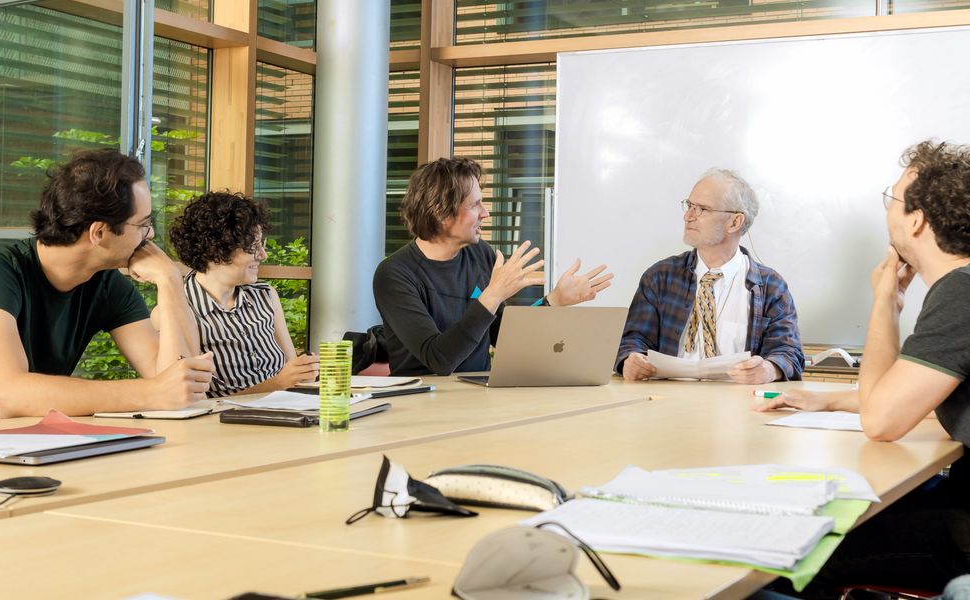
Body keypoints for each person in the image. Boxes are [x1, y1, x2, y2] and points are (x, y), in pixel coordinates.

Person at [755, 140, 970, 596]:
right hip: (960, 497)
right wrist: (828, 398)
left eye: (890, 198)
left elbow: (881, 421)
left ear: (917, 219)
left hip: (965, 528)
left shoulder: (959, 295)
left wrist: (884, 305)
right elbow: (921, 396)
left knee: (788, 555)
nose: (887, 208)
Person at [0, 149, 214, 427]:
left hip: (17, 442)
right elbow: (10, 396)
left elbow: (178, 383)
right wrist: (152, 392)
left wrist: (170, 282)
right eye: (142, 225)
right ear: (99, 233)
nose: (151, 235)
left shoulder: (105, 283)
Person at [373, 157, 614, 376]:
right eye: (475, 204)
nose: (485, 213)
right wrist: (493, 294)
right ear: (440, 212)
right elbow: (440, 360)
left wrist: (554, 301)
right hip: (422, 401)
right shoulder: (394, 275)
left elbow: (504, 336)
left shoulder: (480, 254)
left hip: (478, 394)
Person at [615, 169, 804, 384]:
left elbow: (789, 354)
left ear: (734, 222)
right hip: (666, 402)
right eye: (689, 206)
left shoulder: (771, 286)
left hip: (737, 407)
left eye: (702, 209)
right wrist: (629, 360)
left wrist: (769, 370)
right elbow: (632, 341)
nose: (688, 217)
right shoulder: (660, 277)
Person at [164, 191, 318, 396]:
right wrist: (278, 383)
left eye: (260, 246)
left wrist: (306, 370)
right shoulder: (179, 308)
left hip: (284, 412)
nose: (263, 255)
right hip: (222, 424)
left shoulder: (266, 295)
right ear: (216, 250)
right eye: (253, 248)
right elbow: (193, 400)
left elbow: (292, 373)